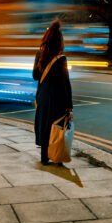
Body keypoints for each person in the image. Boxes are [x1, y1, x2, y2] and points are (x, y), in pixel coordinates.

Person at [33, 19, 73, 165]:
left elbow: (35, 76)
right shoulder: (61, 58)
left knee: (44, 124)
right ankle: (57, 156)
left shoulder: (40, 54)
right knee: (56, 126)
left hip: (43, 95)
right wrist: (69, 106)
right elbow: (65, 84)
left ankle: (44, 157)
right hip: (57, 97)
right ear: (60, 41)